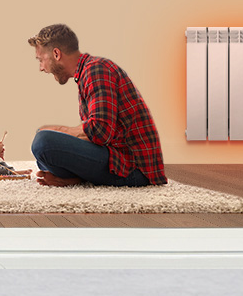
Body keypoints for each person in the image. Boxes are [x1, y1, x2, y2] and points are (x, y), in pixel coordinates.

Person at [28, 24, 167, 187]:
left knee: (43, 142)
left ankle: (77, 178)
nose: (41, 68)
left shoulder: (97, 69)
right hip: (115, 156)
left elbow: (100, 131)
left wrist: (60, 130)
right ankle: (76, 179)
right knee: (43, 152)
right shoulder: (86, 73)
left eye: (41, 60)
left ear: (56, 54)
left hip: (133, 168)